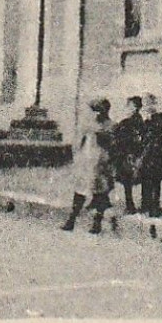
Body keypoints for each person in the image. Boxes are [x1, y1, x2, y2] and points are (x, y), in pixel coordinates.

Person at [62, 98, 117, 235]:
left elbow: (113, 145)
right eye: (94, 110)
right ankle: (71, 220)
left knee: (100, 193)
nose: (96, 113)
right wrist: (77, 159)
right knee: (80, 191)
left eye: (98, 110)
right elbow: (77, 143)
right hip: (87, 162)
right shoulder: (87, 125)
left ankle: (97, 223)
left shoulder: (111, 126)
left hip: (102, 163)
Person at [140, 92, 162, 216]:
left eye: (149, 103)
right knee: (145, 178)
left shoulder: (160, 118)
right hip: (145, 154)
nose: (147, 106)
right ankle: (145, 204)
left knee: (155, 180)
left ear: (154, 104)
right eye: (144, 103)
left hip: (156, 154)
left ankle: (154, 206)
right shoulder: (144, 120)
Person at [112, 95, 146, 214]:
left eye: (133, 106)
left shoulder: (129, 122)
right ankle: (138, 204)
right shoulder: (140, 121)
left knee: (127, 179)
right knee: (131, 179)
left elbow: (120, 136)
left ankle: (130, 205)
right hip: (133, 153)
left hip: (129, 153)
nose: (131, 108)